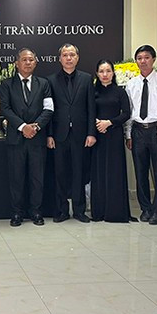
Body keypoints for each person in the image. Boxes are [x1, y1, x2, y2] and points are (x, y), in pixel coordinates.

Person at [0, 48, 54, 226]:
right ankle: (17, 213)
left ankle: (36, 212)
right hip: (16, 139)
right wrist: (23, 127)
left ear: (36, 62)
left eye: (31, 60)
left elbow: (49, 109)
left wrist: (35, 126)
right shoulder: (7, 84)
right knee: (16, 178)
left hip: (37, 138)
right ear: (17, 63)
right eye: (24, 60)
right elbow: (6, 109)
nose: (28, 62)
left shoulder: (44, 84)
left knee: (37, 177)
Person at [47, 43, 96, 223]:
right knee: (60, 173)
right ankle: (61, 210)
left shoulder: (86, 79)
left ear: (77, 57)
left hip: (81, 135)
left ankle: (79, 210)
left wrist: (91, 133)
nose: (68, 58)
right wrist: (49, 134)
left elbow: (91, 109)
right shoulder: (50, 81)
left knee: (79, 172)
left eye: (72, 55)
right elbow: (48, 111)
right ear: (59, 58)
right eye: (65, 55)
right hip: (59, 136)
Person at [124, 45, 157, 225]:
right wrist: (128, 134)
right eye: (139, 58)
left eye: (146, 57)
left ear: (153, 59)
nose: (143, 61)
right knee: (140, 171)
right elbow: (129, 111)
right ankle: (145, 208)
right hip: (137, 130)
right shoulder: (131, 83)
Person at [90, 59, 132, 223]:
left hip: (114, 135)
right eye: (101, 71)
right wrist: (97, 124)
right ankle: (99, 212)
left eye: (108, 71)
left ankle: (115, 212)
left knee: (114, 172)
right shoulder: (93, 91)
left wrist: (110, 122)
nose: (105, 74)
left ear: (113, 73)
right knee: (99, 172)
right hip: (97, 136)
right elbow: (87, 111)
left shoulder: (120, 92)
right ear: (97, 74)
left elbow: (126, 113)